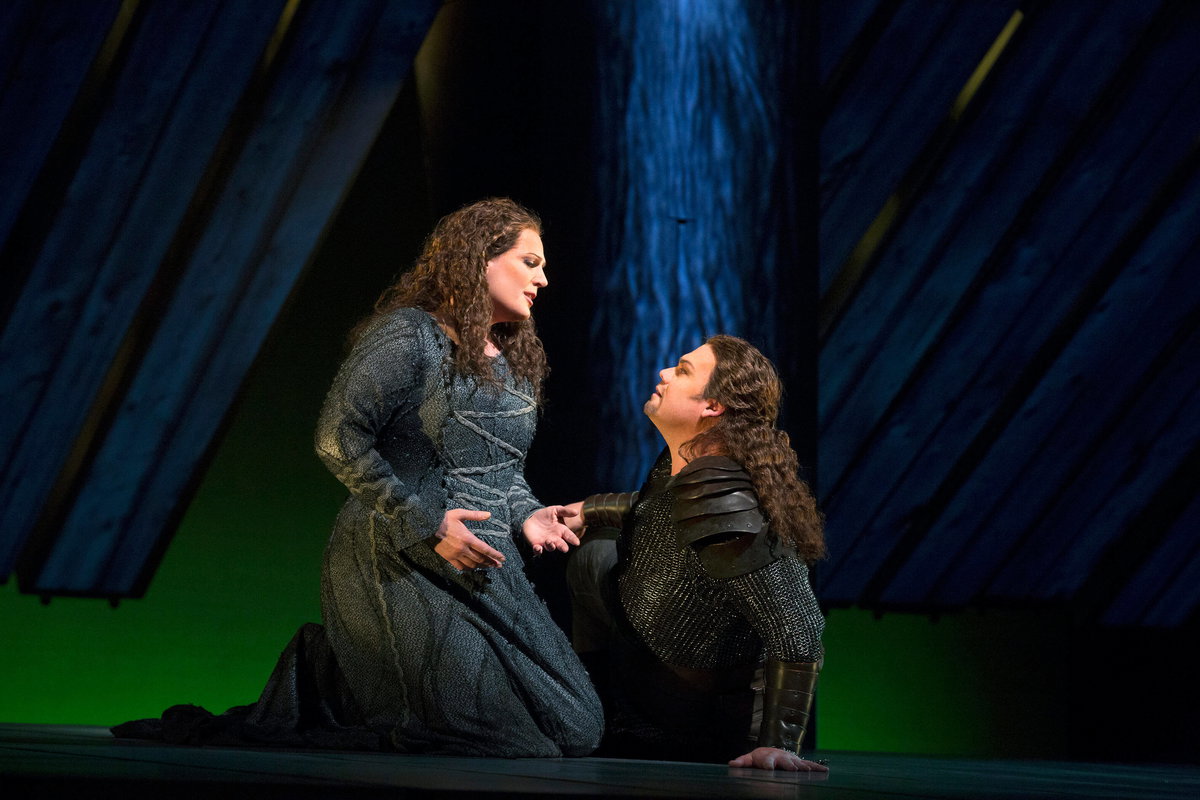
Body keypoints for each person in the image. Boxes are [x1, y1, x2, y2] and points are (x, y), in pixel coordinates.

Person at [114, 198, 603, 757]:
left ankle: (337, 679)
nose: (543, 279)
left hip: (484, 563)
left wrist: (529, 514)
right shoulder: (409, 335)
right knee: (506, 739)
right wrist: (425, 524)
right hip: (395, 553)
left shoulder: (514, 360)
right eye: (530, 262)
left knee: (577, 729)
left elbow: (503, 472)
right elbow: (338, 437)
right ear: (479, 260)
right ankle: (354, 670)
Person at [565, 335, 827, 771]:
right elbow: (653, 511)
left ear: (712, 407)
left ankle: (590, 712)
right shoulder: (685, 462)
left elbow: (798, 626)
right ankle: (593, 705)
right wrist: (588, 510)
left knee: (593, 555)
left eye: (683, 370)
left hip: (691, 711)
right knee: (594, 554)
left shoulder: (723, 496)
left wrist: (779, 744)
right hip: (649, 667)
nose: (664, 373)